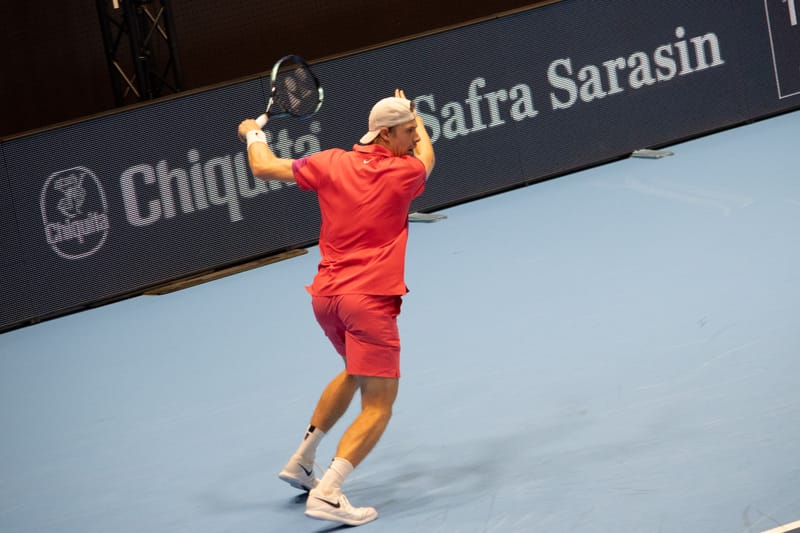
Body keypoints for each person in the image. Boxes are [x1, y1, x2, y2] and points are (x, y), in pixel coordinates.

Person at [238, 89, 435, 526]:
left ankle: (303, 461)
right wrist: (417, 116)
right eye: (406, 132)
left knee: (354, 370)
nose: (412, 138)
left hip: (326, 299)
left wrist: (253, 133)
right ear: (385, 135)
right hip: (368, 301)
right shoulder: (404, 172)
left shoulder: (329, 161)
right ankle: (328, 492)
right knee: (379, 405)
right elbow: (428, 155)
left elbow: (264, 166)